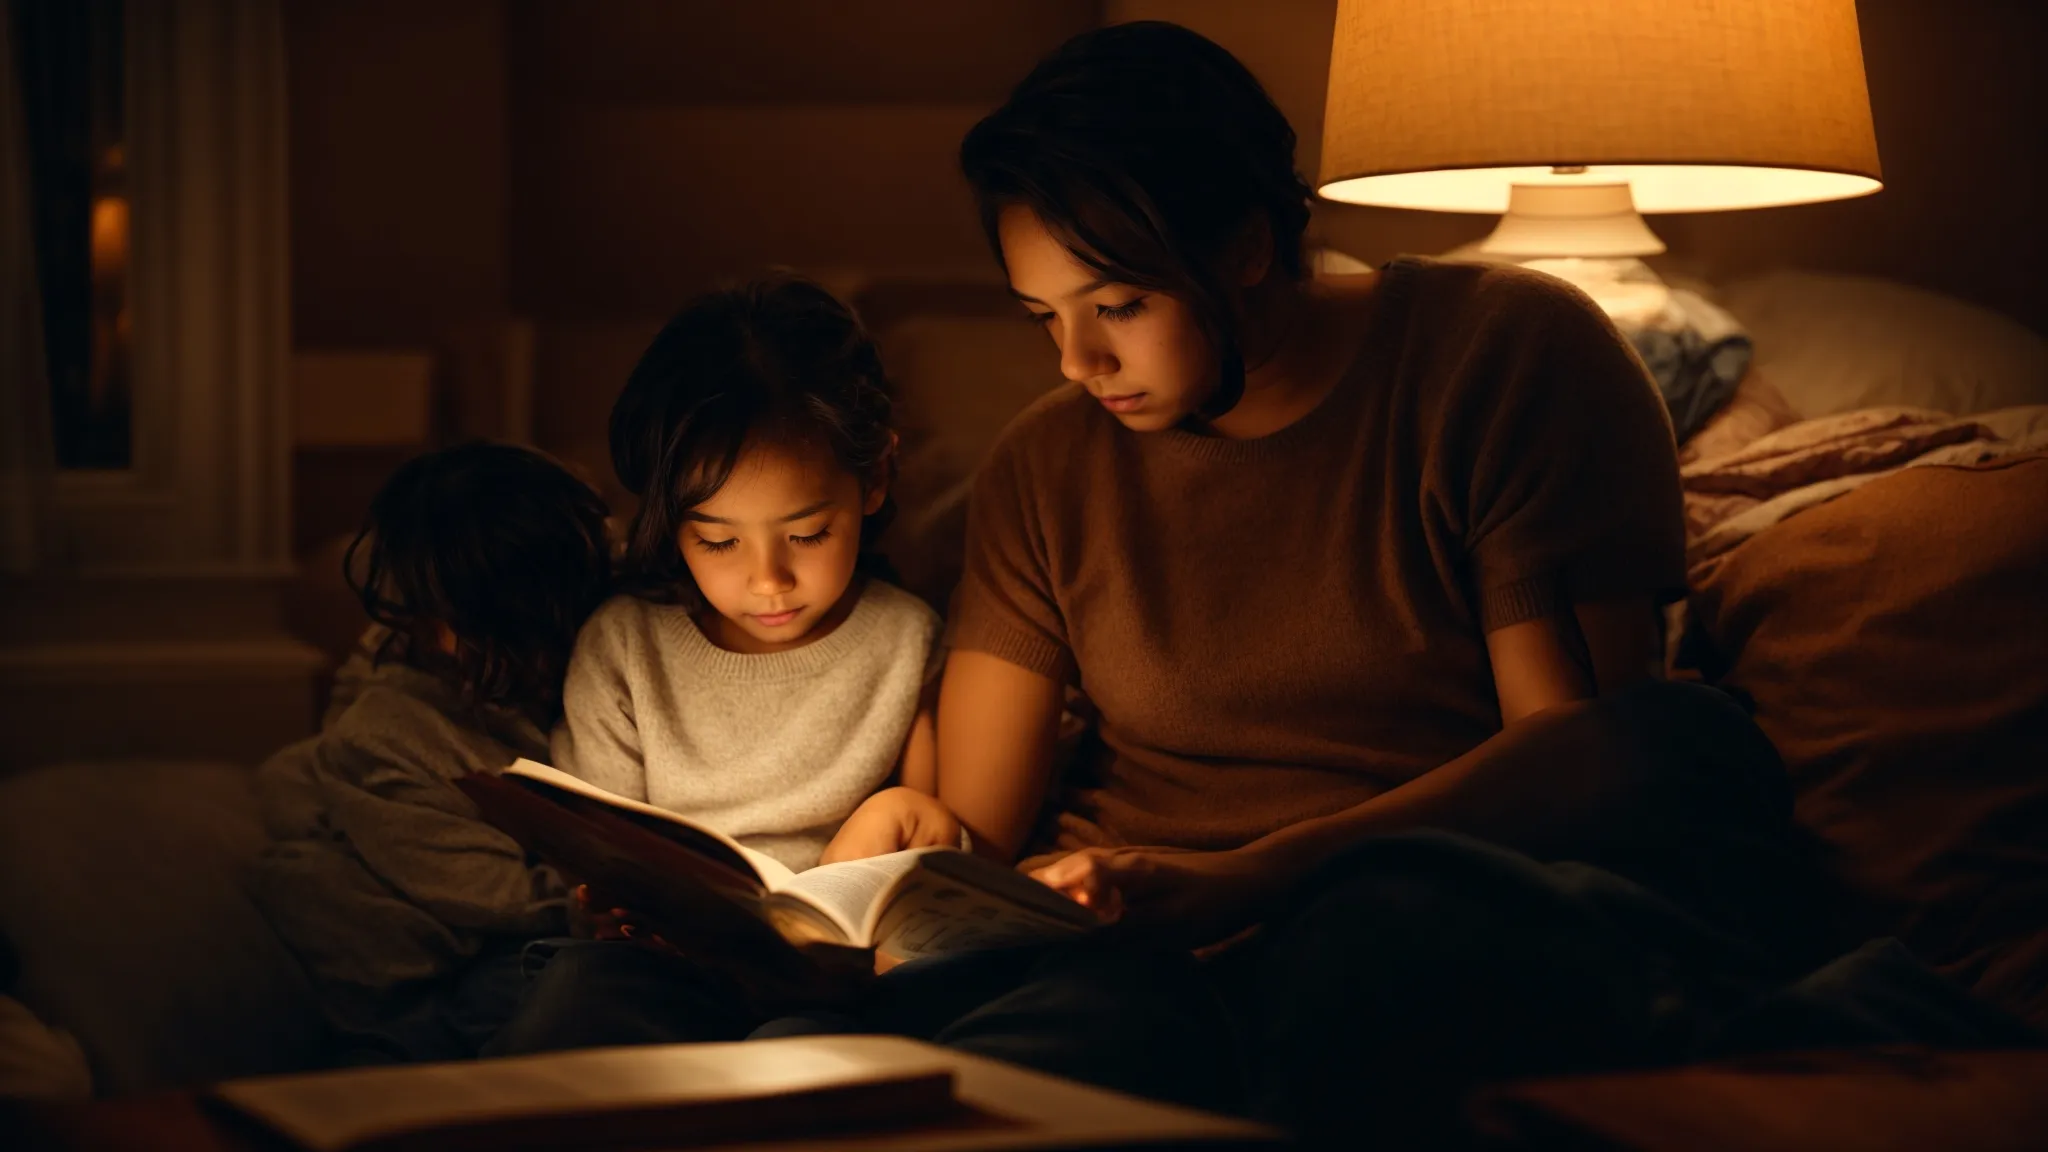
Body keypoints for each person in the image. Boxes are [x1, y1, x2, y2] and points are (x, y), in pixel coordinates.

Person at [765, 21, 2027, 1147]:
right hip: (1129, 935)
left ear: (1249, 245)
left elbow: (1580, 750)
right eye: (1042, 316)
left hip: (1418, 883)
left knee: (1370, 955)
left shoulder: (1497, 358)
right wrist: (893, 847)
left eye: (1121, 302)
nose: (1081, 359)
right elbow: (979, 828)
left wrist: (1247, 878)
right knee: (971, 1040)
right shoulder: (1048, 462)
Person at [483, 274, 953, 1055]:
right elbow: (596, 848)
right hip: (665, 964)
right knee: (574, 1002)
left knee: (828, 1052)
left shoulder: (906, 640)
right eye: (718, 541)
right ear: (672, 522)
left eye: (805, 535)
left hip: (834, 978)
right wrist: (607, 905)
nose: (767, 580)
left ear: (873, 479)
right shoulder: (627, 648)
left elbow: (926, 834)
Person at [248, 442, 613, 1065]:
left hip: (532, 919)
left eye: (489, 624)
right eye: (438, 615)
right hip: (430, 970)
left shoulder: (597, 621)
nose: (452, 641)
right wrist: (596, 902)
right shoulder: (385, 734)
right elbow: (481, 893)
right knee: (563, 989)